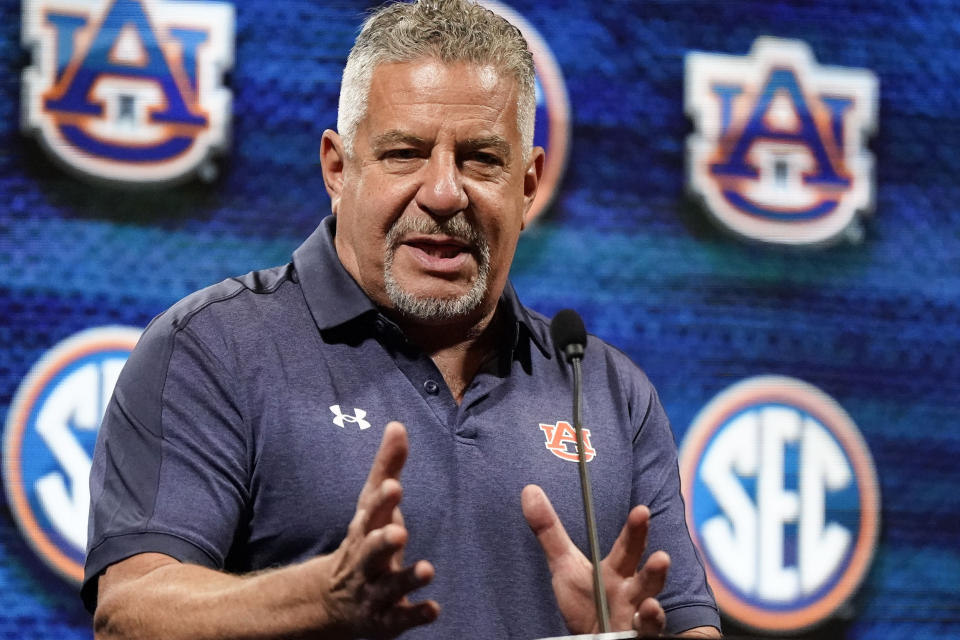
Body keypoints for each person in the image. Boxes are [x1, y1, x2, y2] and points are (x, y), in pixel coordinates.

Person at [83, 1, 721, 638]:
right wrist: (316, 597)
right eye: (405, 153)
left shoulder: (608, 393)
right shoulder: (213, 349)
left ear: (528, 185)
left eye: (480, 159)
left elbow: (690, 626)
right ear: (338, 168)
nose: (444, 193)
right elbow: (132, 611)